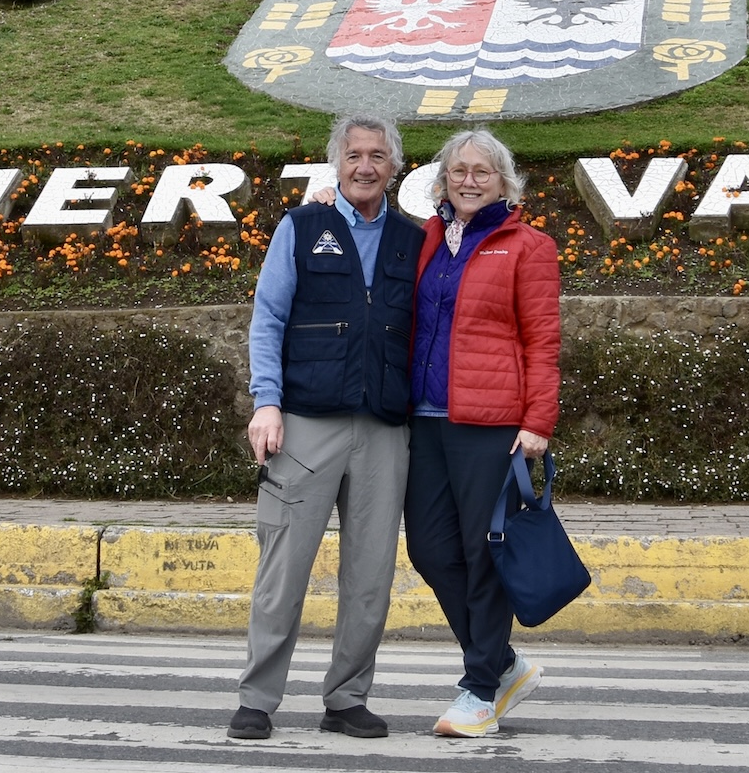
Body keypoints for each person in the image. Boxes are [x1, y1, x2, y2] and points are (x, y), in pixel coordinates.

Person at [230, 115, 424, 742]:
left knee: (370, 578)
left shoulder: (414, 238)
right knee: (283, 571)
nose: (364, 166)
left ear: (395, 166)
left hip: (384, 431)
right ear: (335, 164)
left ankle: (346, 699)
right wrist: (267, 403)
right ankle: (257, 699)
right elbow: (268, 319)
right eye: (353, 155)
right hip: (306, 425)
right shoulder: (300, 226)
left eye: (377, 156)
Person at [405, 128, 562, 738]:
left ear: (504, 180)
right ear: (443, 179)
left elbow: (543, 340)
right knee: (430, 549)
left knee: (481, 553)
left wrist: (536, 423)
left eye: (483, 171)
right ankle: (503, 664)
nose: (469, 180)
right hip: (422, 419)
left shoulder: (527, 246)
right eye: (459, 170)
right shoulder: (421, 241)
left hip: (490, 424)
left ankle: (478, 689)